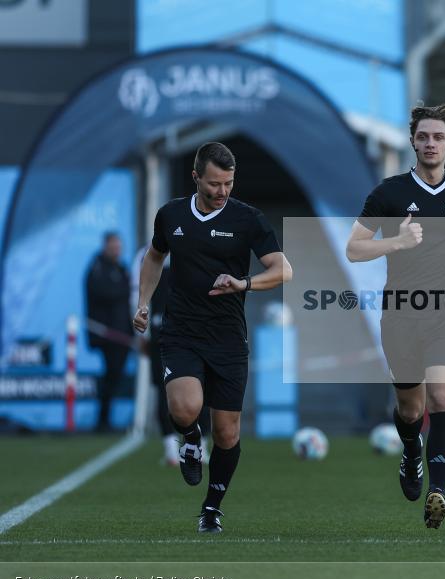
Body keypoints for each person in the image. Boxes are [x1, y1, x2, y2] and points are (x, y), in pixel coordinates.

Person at [133, 142, 293, 533]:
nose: (222, 192)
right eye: (214, 184)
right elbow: (154, 257)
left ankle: (211, 509)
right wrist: (143, 302)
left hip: (227, 337)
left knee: (227, 432)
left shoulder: (248, 219)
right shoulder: (170, 215)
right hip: (182, 330)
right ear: (195, 178)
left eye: (228, 184)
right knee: (186, 409)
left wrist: (245, 283)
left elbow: (283, 269)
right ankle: (189, 438)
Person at [346, 103, 445, 529]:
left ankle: (438, 491)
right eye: (423, 136)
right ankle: (411, 453)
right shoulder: (388, 194)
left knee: (442, 399)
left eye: (438, 137)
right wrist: (397, 243)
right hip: (402, 314)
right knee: (411, 410)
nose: (430, 144)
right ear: (413, 141)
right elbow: (355, 248)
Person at [131, 244, 210, 466]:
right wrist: (141, 330)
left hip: (195, 331)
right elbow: (137, 291)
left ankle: (200, 445)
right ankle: (171, 449)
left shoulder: (199, 244)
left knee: (201, 388)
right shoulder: (148, 253)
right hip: (161, 331)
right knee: (165, 390)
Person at [85, 231, 134, 432]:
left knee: (114, 376)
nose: (117, 250)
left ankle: (106, 418)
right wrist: (126, 288)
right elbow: (106, 293)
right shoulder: (97, 268)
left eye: (119, 246)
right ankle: (102, 420)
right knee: (110, 375)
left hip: (123, 335)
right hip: (107, 335)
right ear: (105, 246)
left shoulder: (121, 268)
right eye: (113, 246)